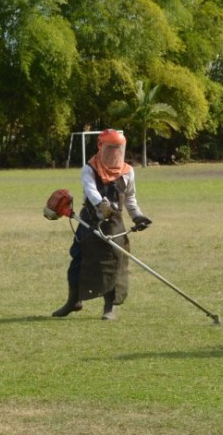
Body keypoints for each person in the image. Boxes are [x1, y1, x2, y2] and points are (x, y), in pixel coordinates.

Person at [52, 129, 152, 320]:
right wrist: (101, 205)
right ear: (100, 147)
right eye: (110, 148)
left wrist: (137, 216)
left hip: (114, 224)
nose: (114, 153)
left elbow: (130, 198)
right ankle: (73, 301)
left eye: (118, 148)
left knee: (113, 264)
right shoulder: (89, 168)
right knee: (78, 261)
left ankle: (109, 308)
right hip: (89, 221)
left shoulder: (128, 172)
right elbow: (91, 191)